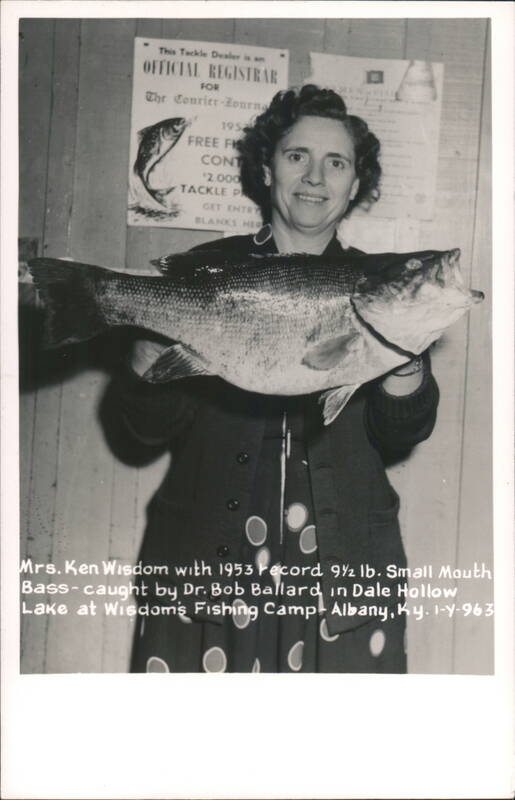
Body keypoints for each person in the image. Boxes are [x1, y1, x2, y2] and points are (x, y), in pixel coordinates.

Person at [114, 85, 439, 674]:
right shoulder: (210, 270)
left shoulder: (381, 284)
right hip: (209, 552)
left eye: (336, 163)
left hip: (341, 563)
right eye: (297, 157)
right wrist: (144, 351)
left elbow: (403, 431)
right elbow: (146, 428)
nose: (316, 177)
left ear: (355, 183)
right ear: (267, 169)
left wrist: (407, 358)